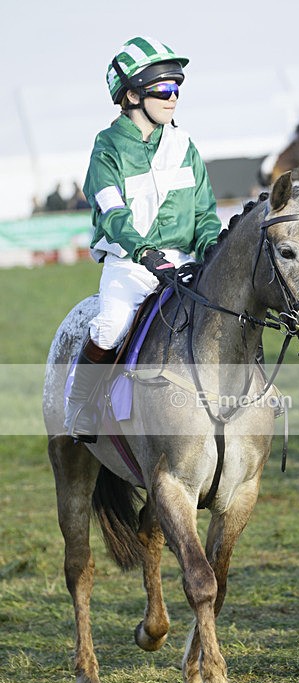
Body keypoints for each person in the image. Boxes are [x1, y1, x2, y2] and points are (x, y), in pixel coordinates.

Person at [65, 36, 221, 443]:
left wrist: (212, 249)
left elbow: (205, 213)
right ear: (132, 95)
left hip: (185, 262)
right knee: (110, 327)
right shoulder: (107, 148)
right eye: (163, 89)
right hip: (130, 264)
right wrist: (144, 251)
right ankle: (81, 405)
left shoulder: (184, 146)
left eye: (177, 87)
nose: (174, 97)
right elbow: (112, 213)